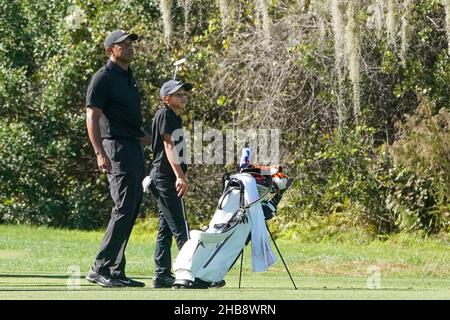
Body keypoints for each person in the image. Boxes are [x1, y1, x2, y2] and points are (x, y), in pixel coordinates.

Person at [85, 29, 151, 288]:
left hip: (132, 148)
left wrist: (158, 140)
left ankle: (115, 269)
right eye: (123, 44)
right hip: (115, 149)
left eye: (131, 43)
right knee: (123, 207)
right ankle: (99, 268)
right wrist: (100, 153)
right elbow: (92, 117)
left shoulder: (129, 78)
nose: (129, 47)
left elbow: (131, 125)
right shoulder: (103, 78)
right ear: (110, 50)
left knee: (132, 209)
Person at [148, 80, 193, 288]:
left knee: (166, 228)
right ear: (166, 98)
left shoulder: (174, 116)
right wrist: (180, 176)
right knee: (180, 227)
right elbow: (169, 146)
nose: (183, 97)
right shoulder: (165, 115)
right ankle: (192, 273)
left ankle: (162, 274)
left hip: (165, 177)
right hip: (165, 178)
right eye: (178, 94)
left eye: (184, 93)